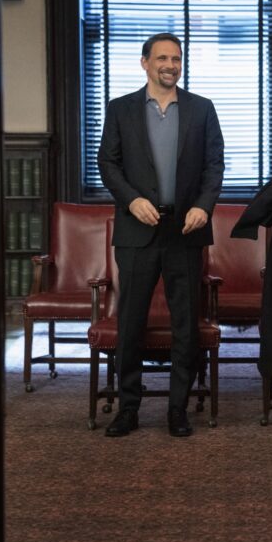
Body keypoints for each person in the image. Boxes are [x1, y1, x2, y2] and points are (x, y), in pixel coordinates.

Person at [97, 32, 224, 438]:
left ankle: (177, 409)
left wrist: (204, 206)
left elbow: (215, 165)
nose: (171, 65)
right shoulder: (120, 109)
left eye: (177, 58)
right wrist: (132, 200)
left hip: (185, 230)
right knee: (130, 322)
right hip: (137, 229)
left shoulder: (202, 109)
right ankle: (128, 408)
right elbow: (108, 163)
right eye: (163, 58)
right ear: (145, 63)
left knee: (185, 324)